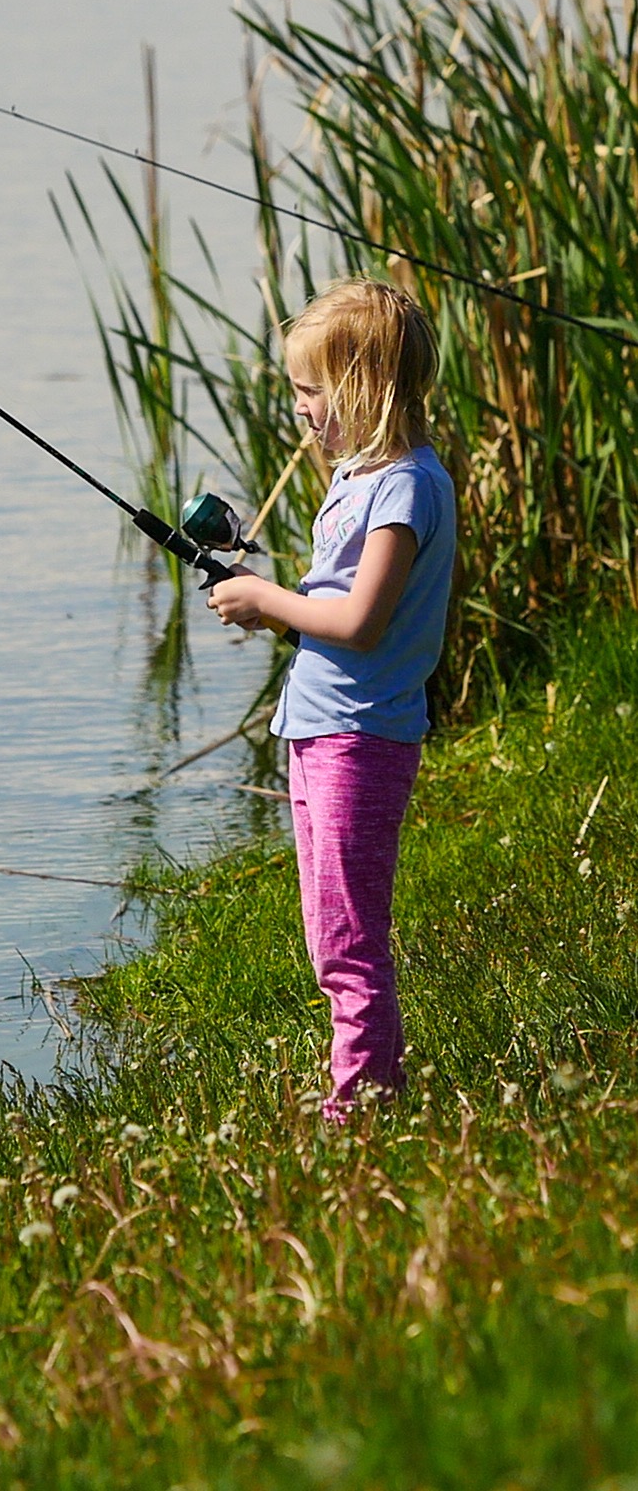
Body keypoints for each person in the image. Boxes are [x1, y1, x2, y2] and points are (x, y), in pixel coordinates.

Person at [207, 278, 456, 1115]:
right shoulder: (361, 477)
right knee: (327, 937)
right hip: (316, 729)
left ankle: (363, 1110)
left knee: (349, 943)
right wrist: (271, 607)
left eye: (311, 391)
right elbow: (334, 619)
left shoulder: (406, 489)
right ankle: (366, 1089)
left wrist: (267, 599)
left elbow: (359, 621)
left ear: (365, 390)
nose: (301, 409)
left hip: (360, 738)